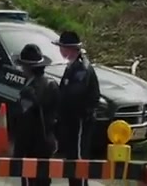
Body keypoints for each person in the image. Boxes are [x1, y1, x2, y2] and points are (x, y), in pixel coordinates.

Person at [52, 31, 100, 186]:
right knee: (72, 158)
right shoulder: (72, 65)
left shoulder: (82, 69)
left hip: (79, 120)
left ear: (70, 49)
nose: (60, 50)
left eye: (62, 47)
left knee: (78, 159)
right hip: (71, 121)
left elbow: (74, 95)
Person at [13, 44, 60, 186]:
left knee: (30, 180)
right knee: (44, 180)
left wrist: (19, 152)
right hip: (48, 142)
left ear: (28, 68)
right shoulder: (52, 85)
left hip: (32, 145)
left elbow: (25, 123)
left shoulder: (29, 92)